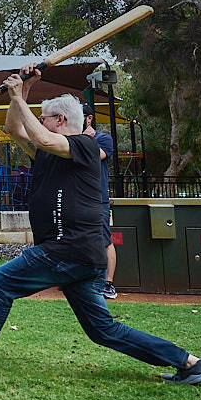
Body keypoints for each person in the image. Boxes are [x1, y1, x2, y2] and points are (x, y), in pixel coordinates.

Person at [0, 64, 201, 385]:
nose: (40, 123)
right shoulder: (49, 153)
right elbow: (15, 128)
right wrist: (24, 88)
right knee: (103, 330)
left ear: (61, 121)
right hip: (79, 256)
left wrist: (19, 96)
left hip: (66, 249)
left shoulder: (84, 145)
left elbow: (40, 135)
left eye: (45, 118)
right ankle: (190, 363)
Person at [83, 103, 118, 299]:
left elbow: (98, 156)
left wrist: (84, 141)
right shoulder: (70, 139)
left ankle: (108, 283)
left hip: (98, 198)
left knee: (104, 240)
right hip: (77, 198)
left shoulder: (103, 139)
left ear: (89, 118)